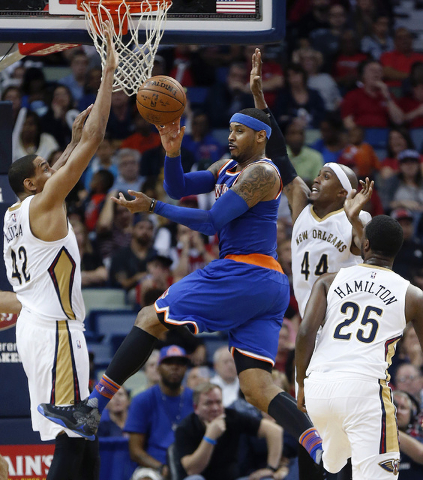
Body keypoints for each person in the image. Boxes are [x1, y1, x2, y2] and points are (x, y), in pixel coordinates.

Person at [37, 49, 326, 480]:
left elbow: (209, 221)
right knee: (256, 386)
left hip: (246, 271)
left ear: (261, 137)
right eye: (228, 129)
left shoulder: (262, 174)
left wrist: (152, 207)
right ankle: (323, 453)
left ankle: (91, 407)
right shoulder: (228, 166)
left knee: (149, 318)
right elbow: (179, 188)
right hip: (263, 284)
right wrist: (171, 150)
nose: (230, 137)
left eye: (239, 131)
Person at [2, 21, 117, 480]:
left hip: (38, 327)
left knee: (82, 432)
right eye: (45, 166)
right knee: (71, 437)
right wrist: (108, 73)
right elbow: (95, 139)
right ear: (32, 183)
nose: (54, 167)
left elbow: (69, 158)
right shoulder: (45, 204)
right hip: (54, 331)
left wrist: (67, 142)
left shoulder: (16, 213)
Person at [295, 215, 423, 478]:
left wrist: (301, 383)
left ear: (365, 246)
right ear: (398, 250)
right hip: (364, 390)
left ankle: (326, 457)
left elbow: (306, 332)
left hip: (319, 387)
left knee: (334, 465)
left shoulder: (329, 280)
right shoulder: (413, 295)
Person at [250, 49, 374, 319]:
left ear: (343, 192)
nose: (316, 179)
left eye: (326, 177)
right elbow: (280, 154)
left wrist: (354, 220)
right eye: (318, 174)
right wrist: (260, 98)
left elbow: (374, 258)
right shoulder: (301, 206)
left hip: (342, 318)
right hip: (308, 316)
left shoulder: (356, 217)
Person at [173, 383, 282, 480]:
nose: (215, 408)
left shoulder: (232, 417)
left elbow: (274, 431)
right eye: (208, 403)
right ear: (196, 407)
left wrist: (270, 468)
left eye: (218, 402)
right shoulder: (185, 428)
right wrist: (210, 437)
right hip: (200, 477)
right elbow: (192, 470)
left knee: (267, 479)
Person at [124, 345, 194, 479]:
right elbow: (135, 451)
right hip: (155, 467)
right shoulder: (142, 400)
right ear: (158, 367)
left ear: (186, 368)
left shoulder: (195, 398)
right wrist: (162, 468)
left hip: (190, 465)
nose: (175, 367)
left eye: (180, 363)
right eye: (169, 362)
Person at [392, 390, 423, 479]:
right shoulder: (376, 441)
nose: (397, 411)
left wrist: (388, 427)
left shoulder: (419, 438)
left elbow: (421, 454)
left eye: (403, 408)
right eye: (393, 407)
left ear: (412, 414)